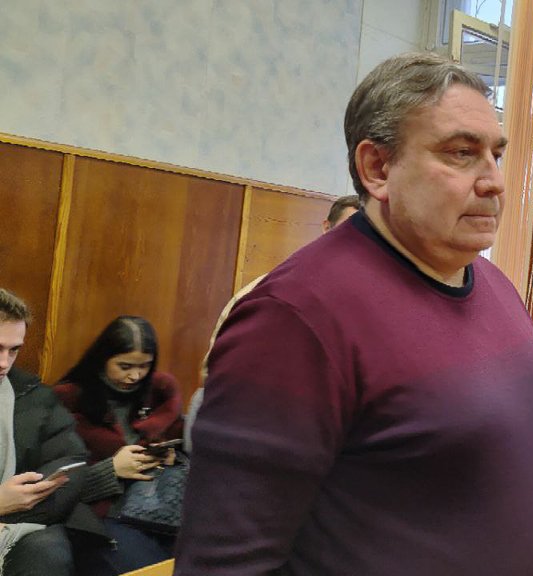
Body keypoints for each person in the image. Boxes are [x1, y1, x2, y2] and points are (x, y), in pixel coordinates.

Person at [173, 52, 533, 575]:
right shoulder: (293, 317)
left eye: (496, 154)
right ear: (378, 168)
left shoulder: (492, 281)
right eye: (462, 153)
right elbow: (224, 564)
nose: (495, 182)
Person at [185, 193, 362, 452]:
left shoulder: (368, 303)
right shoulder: (268, 291)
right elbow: (215, 372)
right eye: (347, 230)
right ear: (327, 228)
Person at [54, 315, 184, 574]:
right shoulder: (68, 401)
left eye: (145, 366)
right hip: (100, 515)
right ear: (103, 359)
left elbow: (183, 453)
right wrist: (111, 469)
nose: (135, 375)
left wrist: (170, 457)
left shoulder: (160, 393)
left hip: (161, 509)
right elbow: (53, 486)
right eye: (125, 366)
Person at [0, 288, 111, 576]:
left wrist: (14, 508)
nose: (4, 363)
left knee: (49, 550)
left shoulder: (34, 395)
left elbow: (70, 461)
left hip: (20, 527)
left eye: (14, 350)